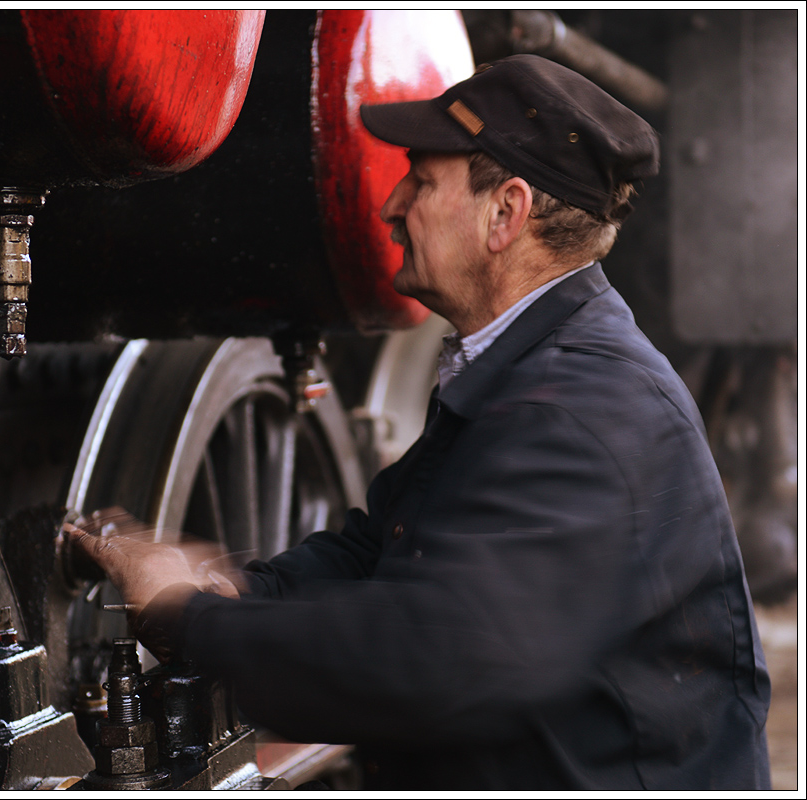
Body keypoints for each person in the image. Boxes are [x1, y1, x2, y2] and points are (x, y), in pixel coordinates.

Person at [68, 55, 771, 790]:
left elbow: (428, 660)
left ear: (506, 212)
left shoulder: (580, 408)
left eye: (421, 181)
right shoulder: (531, 365)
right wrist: (244, 589)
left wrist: (189, 619)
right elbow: (389, 544)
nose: (391, 205)